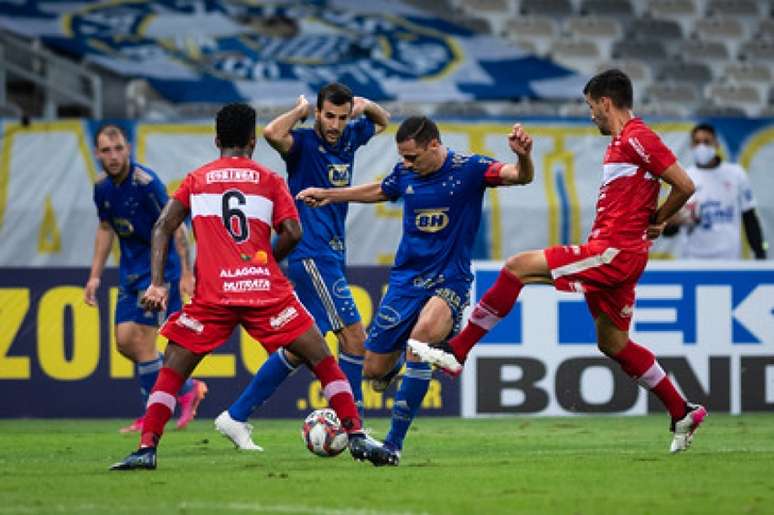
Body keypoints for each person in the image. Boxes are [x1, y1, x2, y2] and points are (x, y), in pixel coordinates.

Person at [408, 69, 708, 454]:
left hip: (614, 251)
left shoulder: (637, 137)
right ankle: (681, 410)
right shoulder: (623, 142)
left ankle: (458, 351)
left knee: (517, 266)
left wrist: (659, 219)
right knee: (613, 343)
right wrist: (651, 221)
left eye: (590, 107)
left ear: (605, 102)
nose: (591, 115)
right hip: (620, 252)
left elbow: (684, 185)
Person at [110, 103, 395, 470]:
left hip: (213, 294)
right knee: (322, 357)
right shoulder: (270, 180)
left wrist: (157, 283)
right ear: (251, 141)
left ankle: (146, 448)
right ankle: (356, 436)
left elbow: (163, 226)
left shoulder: (196, 180)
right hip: (265, 290)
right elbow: (294, 232)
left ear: (216, 140)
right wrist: (268, 261)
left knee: (172, 369)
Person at [296, 115, 535, 465]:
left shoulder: (471, 169)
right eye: (403, 158)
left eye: (412, 157)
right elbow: (381, 189)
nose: (406, 164)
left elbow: (520, 176)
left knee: (421, 342)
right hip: (405, 282)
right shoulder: (406, 173)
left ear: (434, 146)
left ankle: (392, 445)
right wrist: (330, 195)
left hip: (448, 280)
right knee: (374, 373)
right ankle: (398, 368)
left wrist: (524, 157)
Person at [214, 83, 390, 451]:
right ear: (319, 113)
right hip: (313, 254)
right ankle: (353, 424)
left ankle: (236, 415)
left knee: (300, 348)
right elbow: (270, 133)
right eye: (329, 116)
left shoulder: (349, 137)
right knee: (354, 338)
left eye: (342, 117)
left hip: (333, 254)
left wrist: (365, 106)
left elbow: (383, 121)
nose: (335, 124)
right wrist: (300, 111)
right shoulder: (303, 145)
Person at [84, 124, 206, 433]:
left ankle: (151, 415)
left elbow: (174, 225)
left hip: (159, 274)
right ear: (97, 154)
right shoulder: (102, 189)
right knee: (126, 342)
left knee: (143, 342)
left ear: (128, 150)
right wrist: (94, 277)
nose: (113, 156)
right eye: (106, 150)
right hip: (130, 274)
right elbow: (105, 228)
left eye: (118, 149)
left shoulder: (146, 184)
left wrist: (186, 273)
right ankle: (187, 388)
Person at [665, 122, 767, 260]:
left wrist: (760, 252)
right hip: (693, 260)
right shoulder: (683, 178)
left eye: (707, 142)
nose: (702, 147)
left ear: (716, 144)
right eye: (697, 142)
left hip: (728, 260)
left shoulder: (736, 174)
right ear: (691, 146)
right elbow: (667, 231)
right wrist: (675, 222)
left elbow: (749, 218)